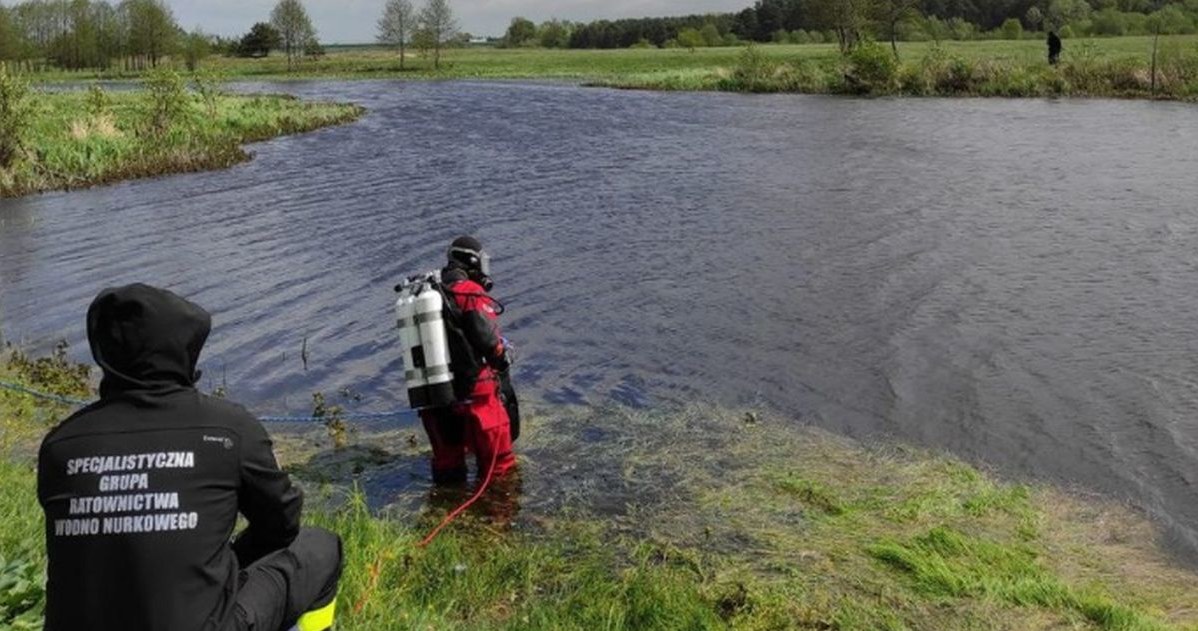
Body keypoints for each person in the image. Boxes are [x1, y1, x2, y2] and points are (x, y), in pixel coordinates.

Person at [37, 284, 342, 631]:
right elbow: (283, 524)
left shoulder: (60, 444)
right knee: (320, 547)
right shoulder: (229, 429)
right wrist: (228, 562)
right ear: (183, 352)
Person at [420, 236, 517, 485]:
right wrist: (502, 353)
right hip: (477, 393)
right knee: (499, 466)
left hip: (436, 396)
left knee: (448, 465)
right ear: (473, 262)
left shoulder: (428, 293)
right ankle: (499, 516)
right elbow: (488, 341)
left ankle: (444, 507)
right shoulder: (470, 292)